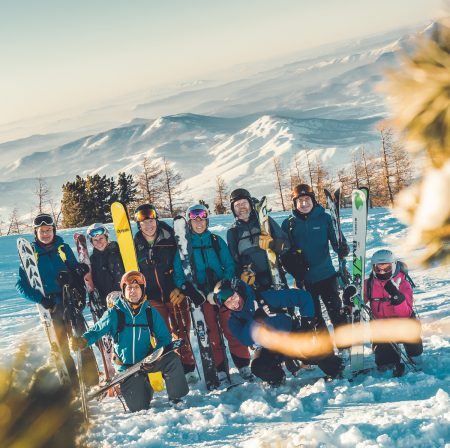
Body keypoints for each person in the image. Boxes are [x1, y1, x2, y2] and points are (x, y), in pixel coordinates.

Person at [70, 271, 189, 411]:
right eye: (129, 288)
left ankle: (176, 398)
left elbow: (164, 338)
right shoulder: (114, 313)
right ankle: (142, 386)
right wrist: (83, 341)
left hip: (147, 361)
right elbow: (97, 330)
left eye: (137, 287)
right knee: (139, 406)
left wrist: (155, 358)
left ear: (142, 290)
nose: (133, 291)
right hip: (127, 368)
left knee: (172, 359)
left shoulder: (150, 312)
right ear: (123, 291)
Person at [16, 213, 98, 387]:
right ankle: (73, 384)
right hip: (52, 307)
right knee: (62, 347)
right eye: (42, 231)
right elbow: (21, 286)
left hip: (70, 301)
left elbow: (75, 271)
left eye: (48, 230)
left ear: (53, 230)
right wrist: (41, 300)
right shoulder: (30, 255)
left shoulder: (63, 248)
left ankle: (91, 381)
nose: (45, 234)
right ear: (36, 232)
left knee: (82, 340)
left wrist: (79, 273)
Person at [173, 204, 252, 383]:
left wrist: (222, 286)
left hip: (222, 294)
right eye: (195, 219)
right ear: (189, 222)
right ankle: (220, 368)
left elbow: (229, 265)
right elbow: (178, 274)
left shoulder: (216, 241)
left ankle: (243, 364)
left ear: (207, 221)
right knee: (212, 334)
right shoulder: (185, 247)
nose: (199, 223)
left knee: (231, 327)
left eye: (202, 219)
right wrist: (191, 290)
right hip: (201, 296)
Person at [213, 279, 343, 386]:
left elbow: (304, 297)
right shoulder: (234, 320)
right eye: (228, 302)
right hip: (269, 347)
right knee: (258, 367)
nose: (233, 304)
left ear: (239, 292)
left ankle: (335, 368)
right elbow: (245, 340)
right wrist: (257, 320)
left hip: (291, 336)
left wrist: (306, 326)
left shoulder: (266, 298)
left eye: (234, 297)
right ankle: (278, 379)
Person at [133, 203, 196, 378]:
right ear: (139, 225)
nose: (148, 225)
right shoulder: (135, 245)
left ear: (156, 220)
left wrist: (182, 288)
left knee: (181, 330)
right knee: (162, 334)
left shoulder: (170, 238)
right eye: (144, 222)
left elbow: (183, 263)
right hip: (152, 296)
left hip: (174, 292)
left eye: (151, 220)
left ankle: (188, 366)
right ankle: (171, 368)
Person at [344, 249, 423, 375]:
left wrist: (397, 297)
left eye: (386, 268)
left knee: (416, 354)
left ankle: (414, 354)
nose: (382, 271)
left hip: (404, 323)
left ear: (394, 265)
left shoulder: (403, 284)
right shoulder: (369, 284)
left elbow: (406, 314)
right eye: (378, 268)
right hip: (382, 327)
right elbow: (358, 304)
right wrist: (349, 301)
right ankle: (390, 360)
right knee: (385, 364)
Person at [281, 184, 349, 329]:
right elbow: (284, 253)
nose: (304, 203)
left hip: (327, 275)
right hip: (304, 279)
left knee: (336, 312)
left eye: (307, 199)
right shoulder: (288, 224)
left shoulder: (325, 218)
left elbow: (338, 242)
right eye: (300, 200)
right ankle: (326, 351)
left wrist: (343, 248)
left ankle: (346, 347)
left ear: (313, 200)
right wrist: (293, 269)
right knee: (315, 319)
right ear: (295, 203)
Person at [227, 188, 288, 291]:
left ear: (250, 204)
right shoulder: (232, 232)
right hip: (254, 284)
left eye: (244, 203)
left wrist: (273, 244)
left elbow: (286, 245)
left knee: (285, 306)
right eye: (237, 205)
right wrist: (241, 275)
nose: (241, 207)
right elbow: (234, 262)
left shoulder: (265, 222)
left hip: (275, 276)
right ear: (233, 210)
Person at [87, 223, 125, 311]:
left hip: (124, 299)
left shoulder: (119, 252)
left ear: (107, 237)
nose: (99, 242)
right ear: (91, 242)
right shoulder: (92, 260)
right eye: (95, 240)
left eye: (101, 238)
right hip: (106, 304)